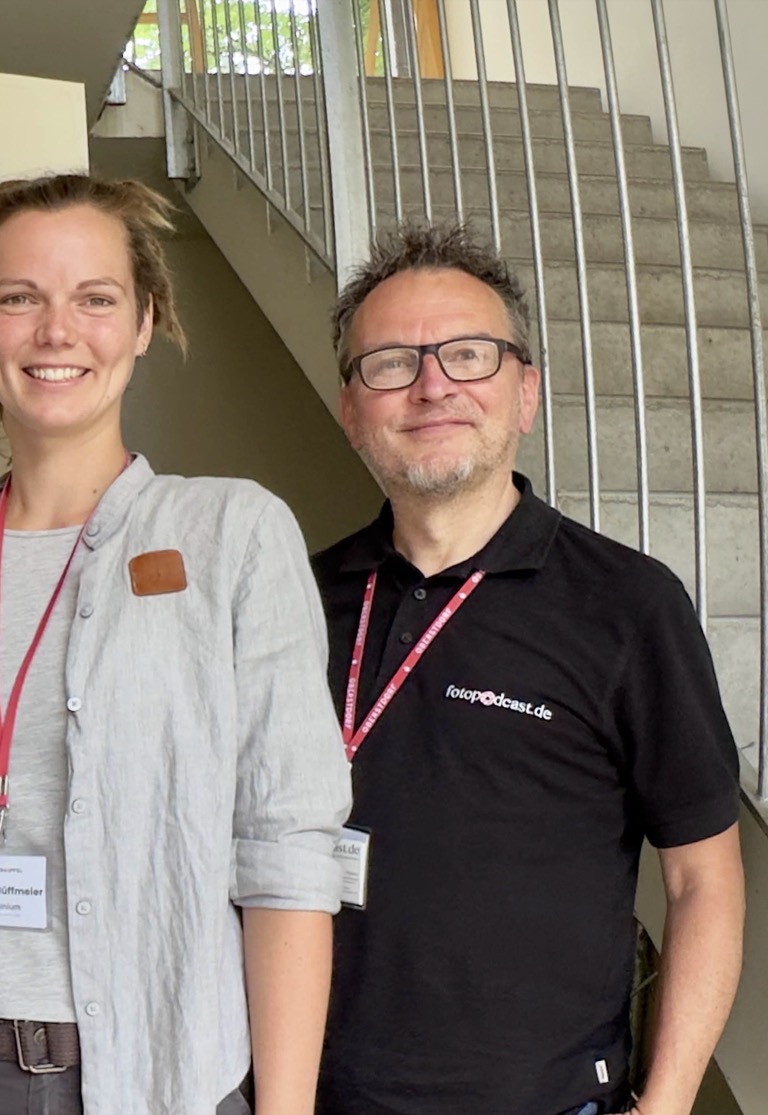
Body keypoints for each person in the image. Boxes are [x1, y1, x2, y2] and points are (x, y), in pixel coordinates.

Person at [0, 172, 351, 1115]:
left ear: (144, 321)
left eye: (94, 298)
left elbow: (286, 850)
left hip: (164, 1073)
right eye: (19, 297)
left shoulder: (232, 533)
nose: (56, 331)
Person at [312, 222, 745, 1115]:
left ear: (526, 393)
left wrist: (663, 1105)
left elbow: (703, 879)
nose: (433, 385)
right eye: (391, 362)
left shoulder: (629, 606)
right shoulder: (290, 599)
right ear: (351, 409)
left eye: (468, 355)